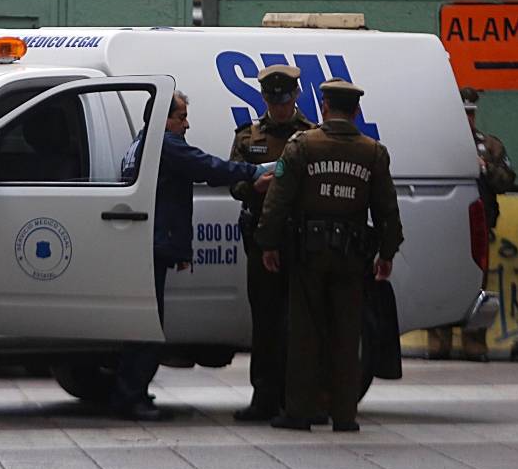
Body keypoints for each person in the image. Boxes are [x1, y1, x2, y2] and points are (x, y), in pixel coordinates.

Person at [255, 78, 403, 432]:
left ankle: (299, 412)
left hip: (308, 253)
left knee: (305, 333)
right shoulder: (373, 152)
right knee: (346, 334)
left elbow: (278, 200)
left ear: (324, 108)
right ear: (355, 112)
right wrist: (387, 251)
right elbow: (387, 209)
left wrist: (268, 242)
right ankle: (345, 415)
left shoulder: (302, 145)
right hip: (352, 256)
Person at [112, 90, 264, 421]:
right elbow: (205, 166)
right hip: (152, 245)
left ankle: (131, 391)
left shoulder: (141, 143)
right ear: (162, 120)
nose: (186, 124)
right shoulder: (164, 144)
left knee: (143, 324)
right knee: (147, 327)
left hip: (147, 245)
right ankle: (131, 396)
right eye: (181, 117)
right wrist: (252, 172)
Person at [228, 65, 314, 421]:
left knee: (298, 320)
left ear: (296, 96)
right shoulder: (248, 135)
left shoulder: (311, 136)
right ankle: (263, 397)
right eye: (272, 100)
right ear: (264, 99)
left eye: (285, 98)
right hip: (260, 236)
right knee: (263, 319)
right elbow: (234, 183)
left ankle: (294, 397)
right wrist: (254, 186)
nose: (279, 106)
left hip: (298, 236)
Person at [427, 87, 515, 362]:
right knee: (441, 282)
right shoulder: (437, 144)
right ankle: (439, 344)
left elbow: (507, 179)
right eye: (461, 113)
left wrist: (485, 166)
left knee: (477, 286)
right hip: (444, 227)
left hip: (477, 228)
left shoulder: (490, 146)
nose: (466, 119)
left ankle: (475, 344)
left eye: (470, 114)